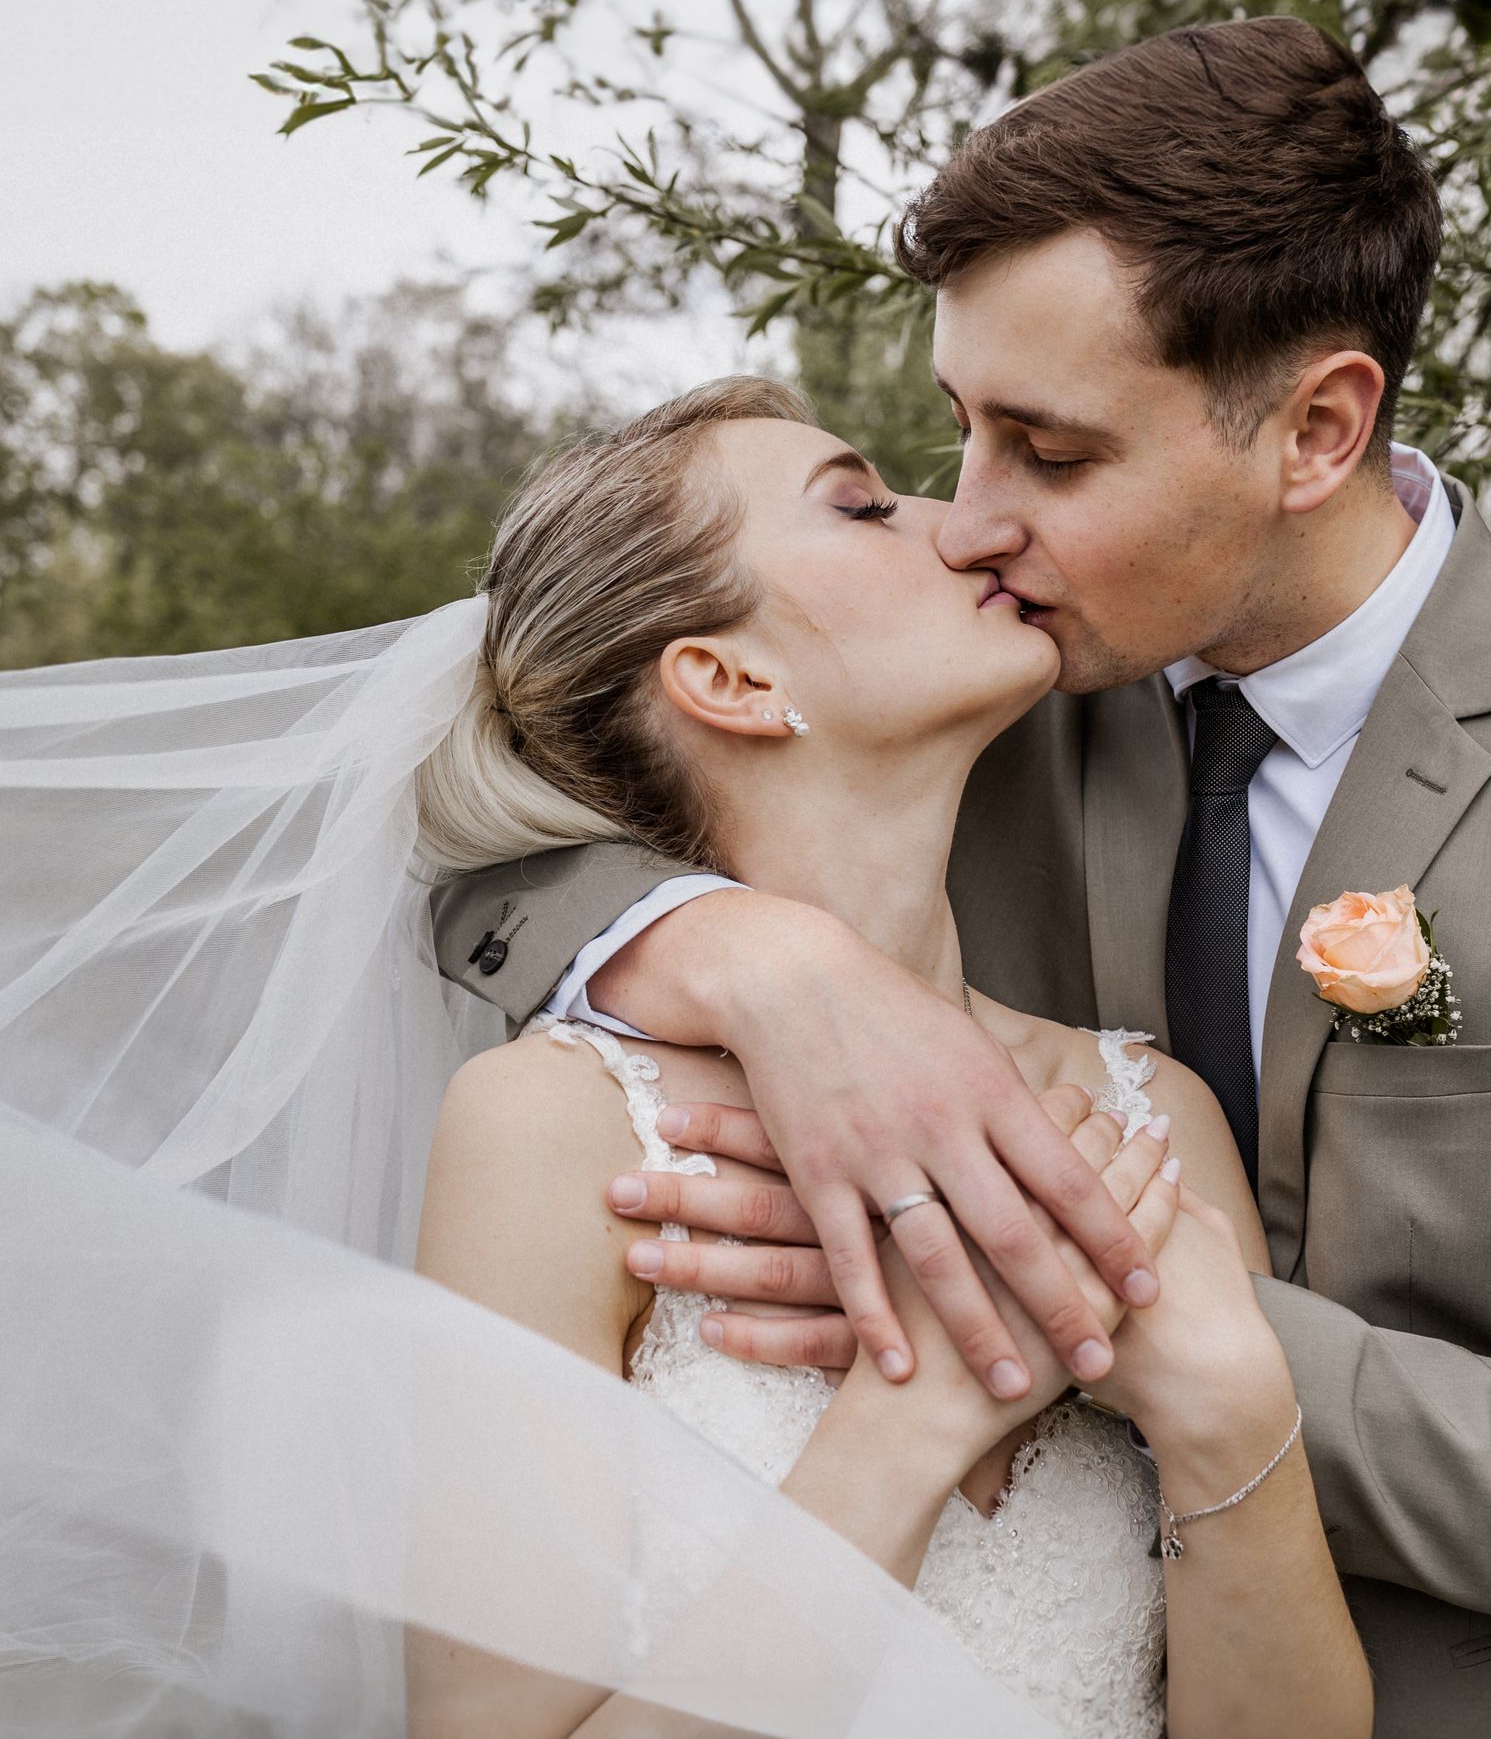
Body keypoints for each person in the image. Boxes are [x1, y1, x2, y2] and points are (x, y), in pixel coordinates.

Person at [435, 16, 1491, 1739]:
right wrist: (736, 959)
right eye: (959, 430)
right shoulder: (967, 674)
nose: (972, 517)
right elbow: (503, 815)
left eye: (1051, 453)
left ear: (1317, 430)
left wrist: (1114, 1301)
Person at [407, 377, 1371, 1738]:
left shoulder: (1154, 1113)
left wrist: (1227, 1406)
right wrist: (921, 1407)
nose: (964, 527)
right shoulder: (554, 1130)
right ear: (732, 680)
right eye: (863, 507)